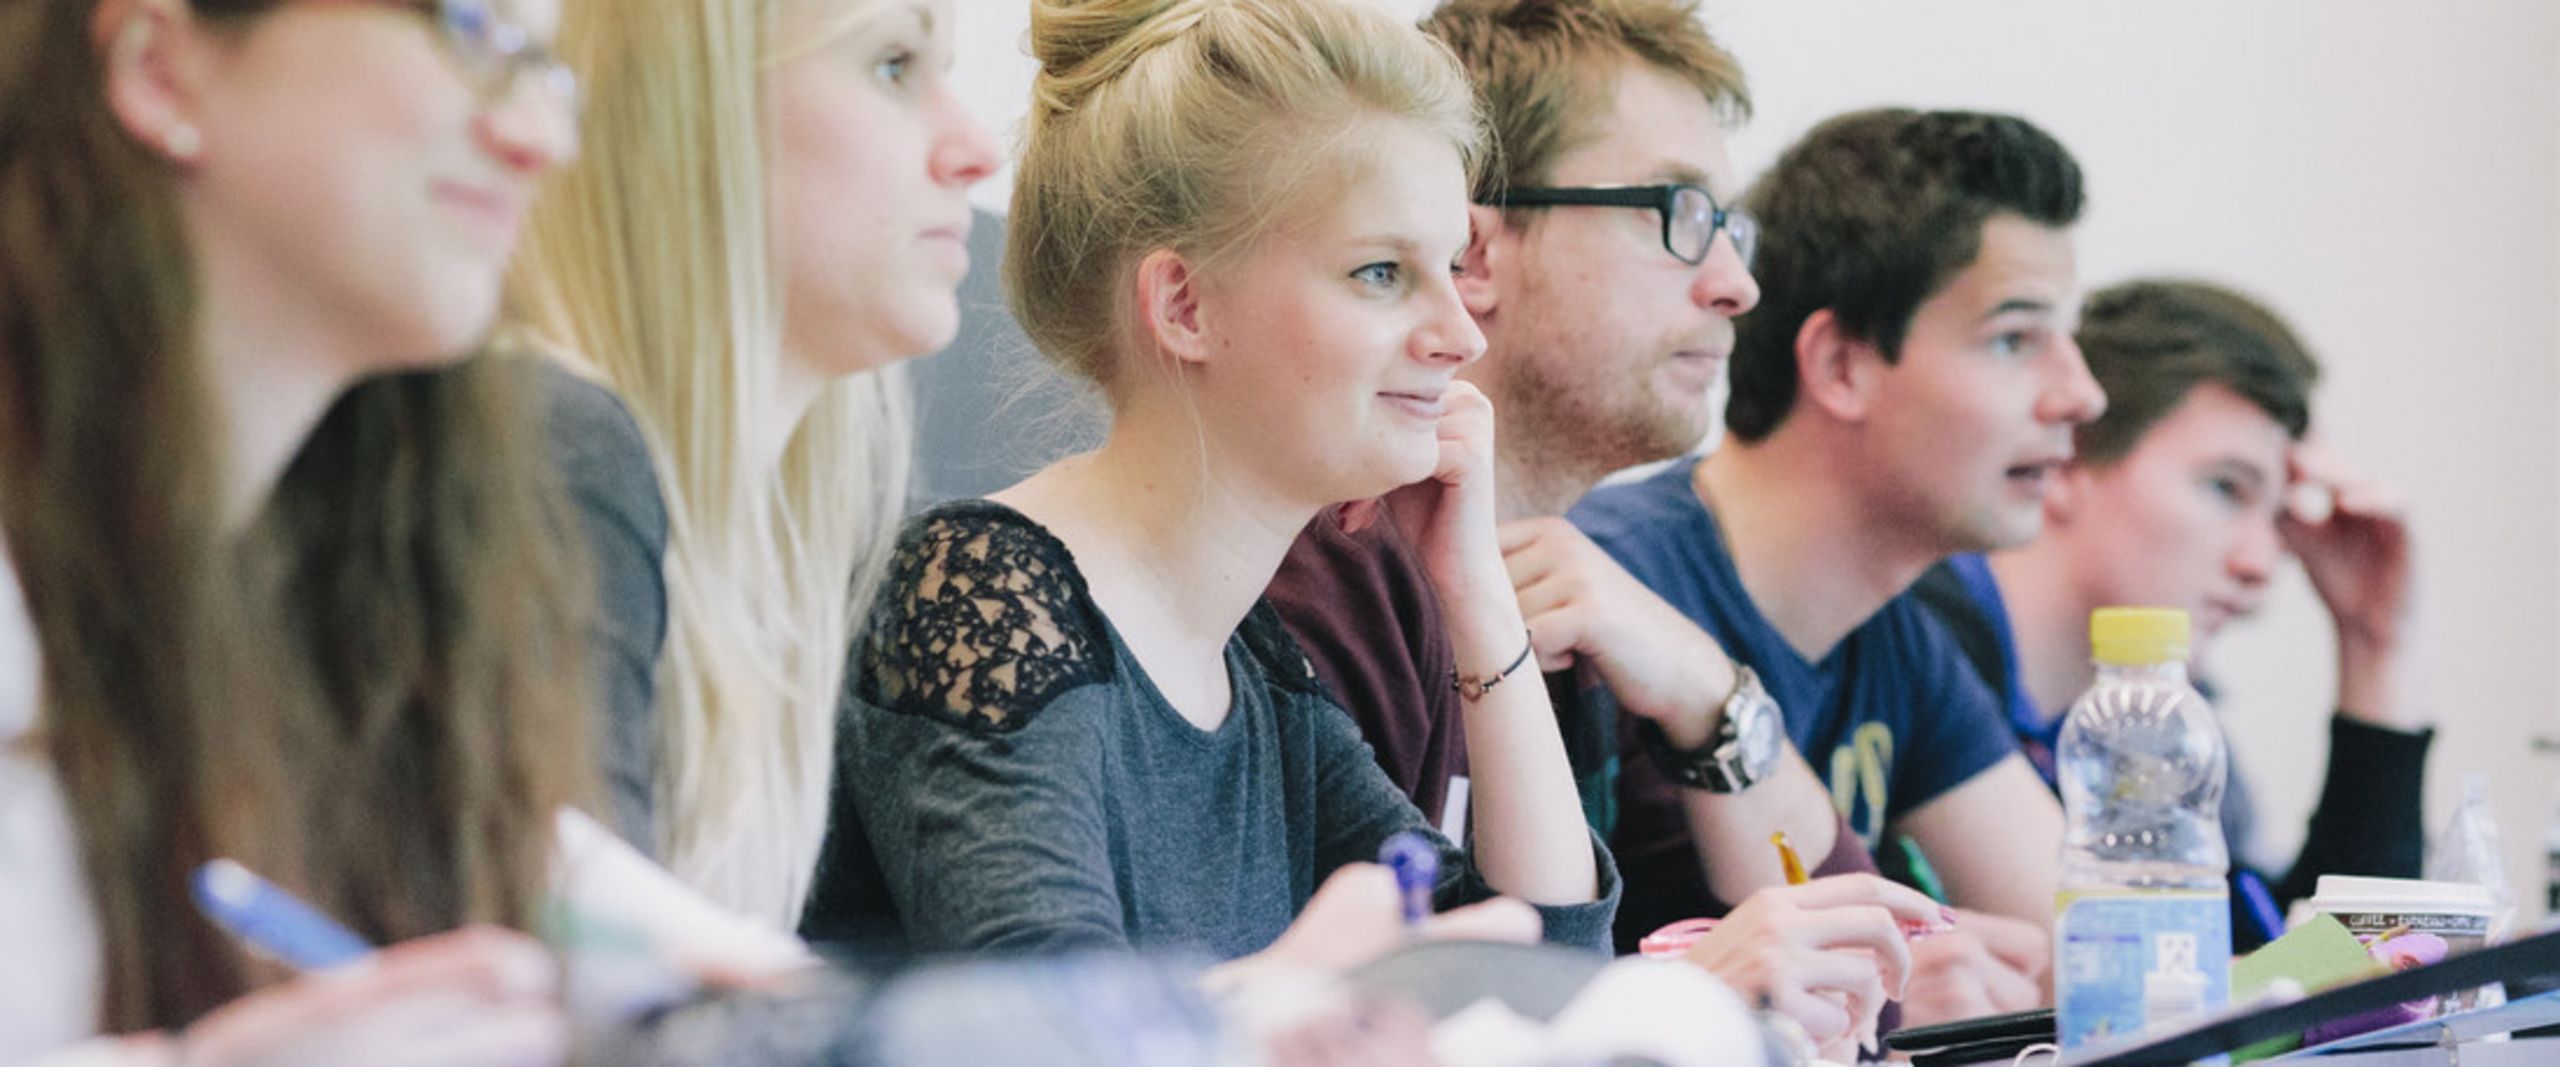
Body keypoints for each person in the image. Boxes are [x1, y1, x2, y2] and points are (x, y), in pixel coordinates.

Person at [810, 0, 1615, 976]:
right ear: (1185, 305)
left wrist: (1478, 599)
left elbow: (1543, 967)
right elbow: (1054, 1025)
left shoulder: (1256, 671)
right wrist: (1297, 986)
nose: (1461, 334)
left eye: (1449, 268)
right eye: (1380, 272)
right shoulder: (976, 595)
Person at [1263, 0, 1959, 1048]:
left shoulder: (1582, 597)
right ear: (1475, 252)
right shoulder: (1315, 589)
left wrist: (1708, 692)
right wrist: (1671, 995)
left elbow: (1863, 985)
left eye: (1729, 227)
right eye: (1676, 213)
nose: (1736, 284)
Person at [0, 0, 585, 1063]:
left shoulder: (377, 586)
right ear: (159, 69)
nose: (540, 139)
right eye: (469, 29)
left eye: (542, 62)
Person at [1565, 107, 2107, 1022]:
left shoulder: (1896, 631)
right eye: (2015, 339)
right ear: (1841, 365)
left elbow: (2101, 950)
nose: (2080, 394)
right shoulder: (1611, 591)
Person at [510, 0, 1000, 927]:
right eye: (894, 66)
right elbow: (579, 992)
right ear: (692, 107)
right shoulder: (559, 459)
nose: (978, 151)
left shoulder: (791, 544)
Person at [1914, 278, 2430, 952]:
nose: (2261, 562)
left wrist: (2373, 644)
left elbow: (2305, 967)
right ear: (2068, 458)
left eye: (2279, 515)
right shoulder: (1910, 653)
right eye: (2226, 488)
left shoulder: (2164, 720)